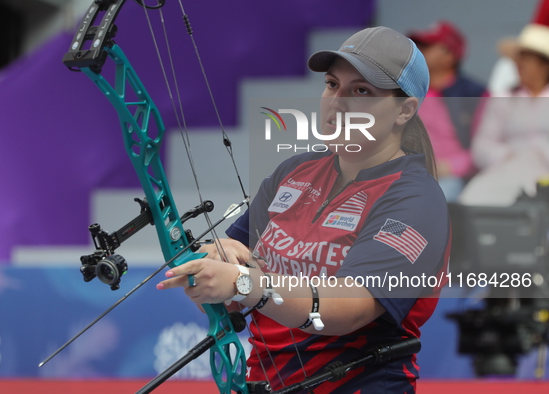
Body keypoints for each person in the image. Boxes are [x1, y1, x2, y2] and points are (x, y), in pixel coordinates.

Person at [157, 27, 451, 393]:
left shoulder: (416, 198)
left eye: (361, 91)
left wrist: (248, 283)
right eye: (332, 84)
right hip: (265, 384)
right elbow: (228, 293)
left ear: (404, 110)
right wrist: (216, 262)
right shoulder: (294, 172)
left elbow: (352, 306)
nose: (337, 101)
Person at [459, 18, 549, 206]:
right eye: (519, 59)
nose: (519, 64)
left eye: (527, 58)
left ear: (544, 65)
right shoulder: (503, 99)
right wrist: (509, 156)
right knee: (473, 202)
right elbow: (482, 144)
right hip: (508, 173)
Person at [407, 21, 487, 202]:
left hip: (451, 175)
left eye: (427, 46)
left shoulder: (475, 94)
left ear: (450, 55)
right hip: (409, 170)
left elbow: (485, 145)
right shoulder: (407, 90)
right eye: (418, 45)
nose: (419, 51)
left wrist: (450, 167)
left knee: (433, 198)